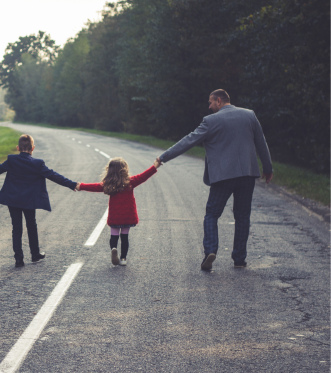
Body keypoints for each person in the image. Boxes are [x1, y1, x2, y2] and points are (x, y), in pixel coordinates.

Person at [156, 89, 273, 270]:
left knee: (212, 214)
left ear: (219, 101)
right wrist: (268, 168)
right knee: (242, 216)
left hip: (223, 177)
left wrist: (164, 157)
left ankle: (210, 251)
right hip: (247, 175)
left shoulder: (211, 121)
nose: (209, 106)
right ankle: (239, 259)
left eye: (211, 102)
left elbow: (189, 141)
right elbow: (261, 143)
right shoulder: (249, 115)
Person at [0, 134, 77, 267]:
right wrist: (72, 184)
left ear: (17, 148)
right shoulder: (38, 163)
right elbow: (54, 175)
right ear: (33, 148)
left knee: (16, 228)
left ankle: (19, 259)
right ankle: (35, 254)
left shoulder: (11, 160)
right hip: (29, 201)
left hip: (13, 200)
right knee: (31, 225)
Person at [76, 158, 160, 266]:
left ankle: (114, 248)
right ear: (124, 170)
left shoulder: (108, 184)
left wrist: (81, 186)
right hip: (128, 215)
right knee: (125, 237)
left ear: (109, 171)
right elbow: (144, 176)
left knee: (114, 236)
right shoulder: (130, 182)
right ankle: (123, 258)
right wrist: (155, 166)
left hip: (115, 216)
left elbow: (94, 187)